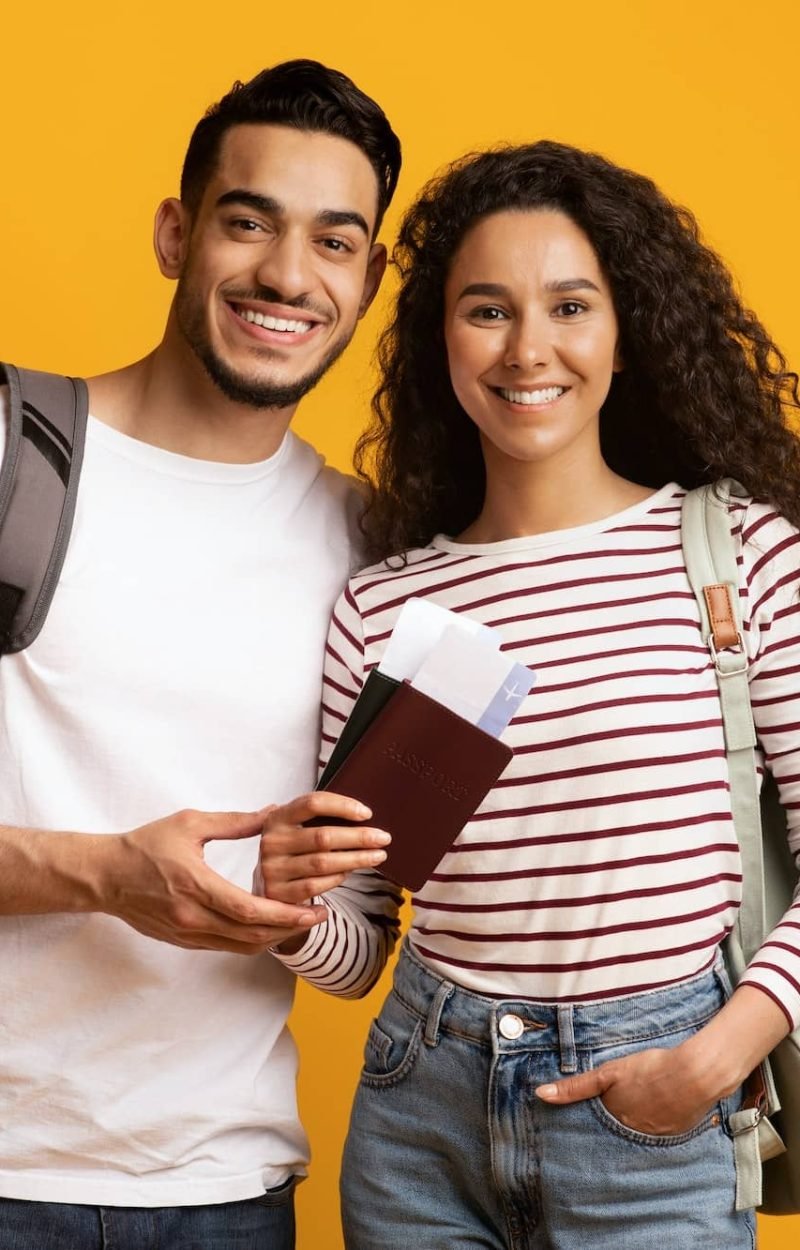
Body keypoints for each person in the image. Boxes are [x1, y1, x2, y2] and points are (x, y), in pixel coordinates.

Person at [258, 140, 800, 1246]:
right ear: (438, 338)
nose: (528, 349)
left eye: (568, 304)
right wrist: (280, 906)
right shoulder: (381, 605)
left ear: (622, 326)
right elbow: (360, 945)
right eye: (487, 310)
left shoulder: (734, 556)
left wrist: (717, 1051)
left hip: (655, 1107)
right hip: (421, 1109)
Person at [0, 59, 401, 1250]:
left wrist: (286, 914)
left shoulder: (368, 548)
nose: (287, 274)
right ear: (177, 233)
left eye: (334, 242)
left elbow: (360, 946)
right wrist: (103, 872)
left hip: (226, 1198)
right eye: (247, 222)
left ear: (369, 279)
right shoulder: (19, 456)